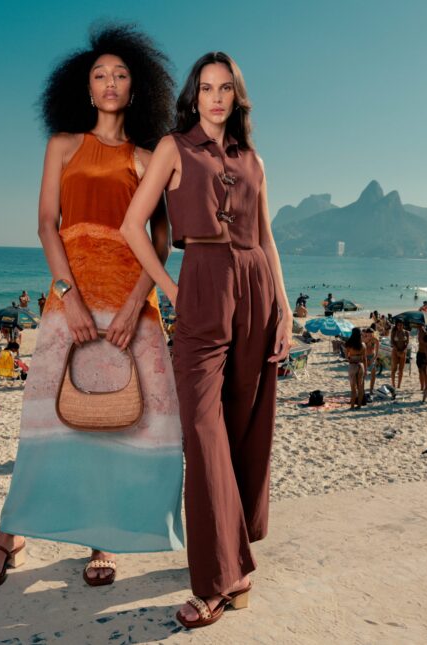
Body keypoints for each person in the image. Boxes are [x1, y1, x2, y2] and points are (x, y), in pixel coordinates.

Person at [0, 26, 184, 596]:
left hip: (136, 305)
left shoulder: (147, 155)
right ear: (85, 89)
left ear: (137, 88)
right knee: (46, 421)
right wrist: (69, 295)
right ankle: (8, 539)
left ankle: (103, 537)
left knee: (128, 420)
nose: (109, 83)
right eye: (99, 75)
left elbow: (160, 238)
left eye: (120, 75)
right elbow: (46, 223)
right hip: (70, 302)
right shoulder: (61, 145)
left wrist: (139, 300)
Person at [121, 51, 290, 628]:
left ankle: (233, 555)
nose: (215, 97)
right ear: (194, 96)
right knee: (200, 427)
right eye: (206, 88)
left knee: (244, 421)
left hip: (256, 286)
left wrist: (286, 310)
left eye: (225, 88)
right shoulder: (173, 148)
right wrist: (169, 286)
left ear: (236, 97)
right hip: (201, 281)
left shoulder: (253, 161)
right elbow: (131, 225)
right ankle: (222, 577)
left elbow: (266, 238)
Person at [345, 328, 367, 408]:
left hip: (353, 365)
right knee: (360, 387)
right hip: (361, 365)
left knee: (353, 387)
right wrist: (366, 370)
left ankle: (352, 406)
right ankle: (359, 405)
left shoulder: (349, 344)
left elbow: (347, 356)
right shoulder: (363, 345)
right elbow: (365, 358)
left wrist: (350, 358)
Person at [389, 318, 409, 390]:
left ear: (403, 325)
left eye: (401, 325)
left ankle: (399, 385)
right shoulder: (394, 332)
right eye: (398, 325)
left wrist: (403, 350)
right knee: (394, 369)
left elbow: (407, 343)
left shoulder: (406, 332)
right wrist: (397, 350)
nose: (400, 326)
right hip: (395, 351)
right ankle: (393, 384)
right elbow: (392, 342)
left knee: (401, 369)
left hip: (403, 352)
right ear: (396, 325)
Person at [363, 326, 379, 394]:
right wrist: (365, 359)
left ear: (373, 333)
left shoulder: (375, 340)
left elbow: (377, 352)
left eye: (371, 333)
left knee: (373, 374)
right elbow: (361, 351)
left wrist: (373, 359)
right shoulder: (363, 340)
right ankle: (362, 389)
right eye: (368, 333)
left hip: (372, 356)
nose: (369, 335)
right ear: (366, 334)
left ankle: (371, 389)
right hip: (365, 356)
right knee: (363, 374)